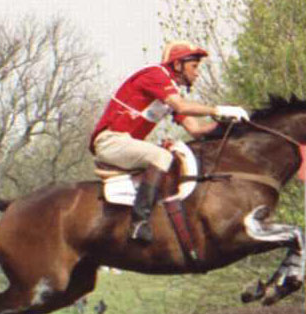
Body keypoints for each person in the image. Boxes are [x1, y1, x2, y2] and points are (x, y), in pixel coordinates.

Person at [89, 39, 249, 244]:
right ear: (177, 65)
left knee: (171, 156)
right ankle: (139, 223)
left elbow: (196, 130)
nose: (197, 73)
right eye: (194, 66)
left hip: (123, 142)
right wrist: (218, 110)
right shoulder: (155, 75)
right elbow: (181, 107)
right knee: (161, 156)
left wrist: (227, 126)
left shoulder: (169, 91)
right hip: (110, 141)